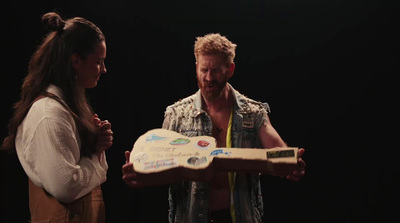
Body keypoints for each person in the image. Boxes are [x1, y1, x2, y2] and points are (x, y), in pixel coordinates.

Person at [122, 33, 306, 223]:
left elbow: (275, 149)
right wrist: (138, 172)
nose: (209, 77)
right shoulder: (176, 114)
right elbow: (160, 163)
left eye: (216, 70)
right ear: (196, 68)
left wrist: (290, 162)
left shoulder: (253, 112)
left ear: (230, 69)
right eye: (204, 70)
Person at [0, 12, 113, 223]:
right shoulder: (49, 115)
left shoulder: (64, 108)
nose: (103, 70)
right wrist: (95, 156)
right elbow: (66, 187)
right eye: (99, 62)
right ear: (76, 61)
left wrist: (95, 143)